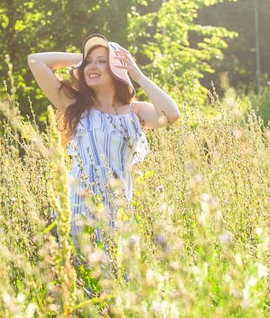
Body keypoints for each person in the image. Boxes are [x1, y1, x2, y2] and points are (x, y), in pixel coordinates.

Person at [28, 33, 180, 251]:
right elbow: (36, 61)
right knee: (82, 278)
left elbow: (171, 114)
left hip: (118, 212)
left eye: (102, 61)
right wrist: (82, 58)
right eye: (89, 62)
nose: (92, 66)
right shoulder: (76, 107)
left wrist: (138, 75)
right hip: (77, 210)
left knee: (120, 278)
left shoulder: (135, 112)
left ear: (116, 68)